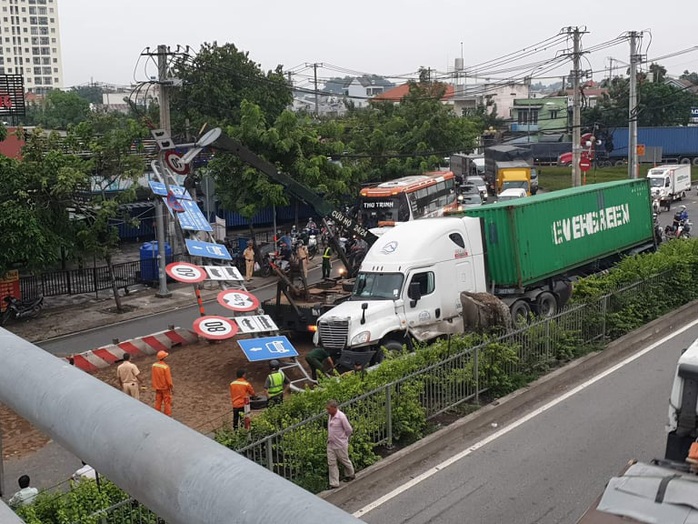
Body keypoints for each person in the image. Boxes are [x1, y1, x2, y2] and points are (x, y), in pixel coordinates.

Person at [326, 399, 355, 489]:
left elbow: (349, 429)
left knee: (344, 460)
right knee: (331, 463)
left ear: (334, 408)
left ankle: (350, 474)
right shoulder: (330, 416)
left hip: (340, 444)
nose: (327, 411)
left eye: (329, 409)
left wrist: (344, 438)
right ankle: (334, 483)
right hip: (331, 444)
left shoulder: (341, 417)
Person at [151, 350, 173, 416]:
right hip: (165, 388)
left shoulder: (154, 365)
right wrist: (171, 387)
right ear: (164, 357)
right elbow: (168, 379)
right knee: (167, 401)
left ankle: (157, 414)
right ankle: (168, 414)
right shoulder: (166, 367)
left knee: (158, 401)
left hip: (157, 387)